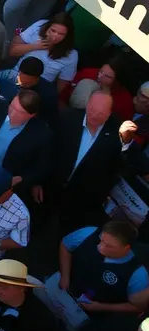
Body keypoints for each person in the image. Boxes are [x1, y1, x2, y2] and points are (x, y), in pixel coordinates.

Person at [54, 92, 131, 234]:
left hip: (85, 199)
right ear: (87, 105)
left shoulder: (118, 133)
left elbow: (119, 168)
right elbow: (52, 149)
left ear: (109, 113)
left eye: (100, 113)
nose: (94, 115)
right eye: (92, 110)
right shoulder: (69, 118)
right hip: (53, 186)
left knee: (68, 231)